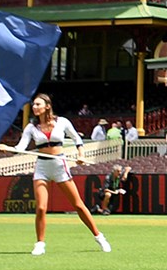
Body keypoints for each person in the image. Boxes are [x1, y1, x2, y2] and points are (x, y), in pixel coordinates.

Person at [13, 93, 111, 256]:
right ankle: (40, 244)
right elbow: (21, 147)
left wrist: (81, 155)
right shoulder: (31, 127)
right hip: (42, 167)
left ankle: (99, 237)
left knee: (78, 205)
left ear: (47, 106)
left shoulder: (62, 122)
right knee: (41, 207)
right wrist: (9, 149)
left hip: (60, 165)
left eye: (38, 104)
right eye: (34, 105)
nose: (34, 107)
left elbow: (77, 139)